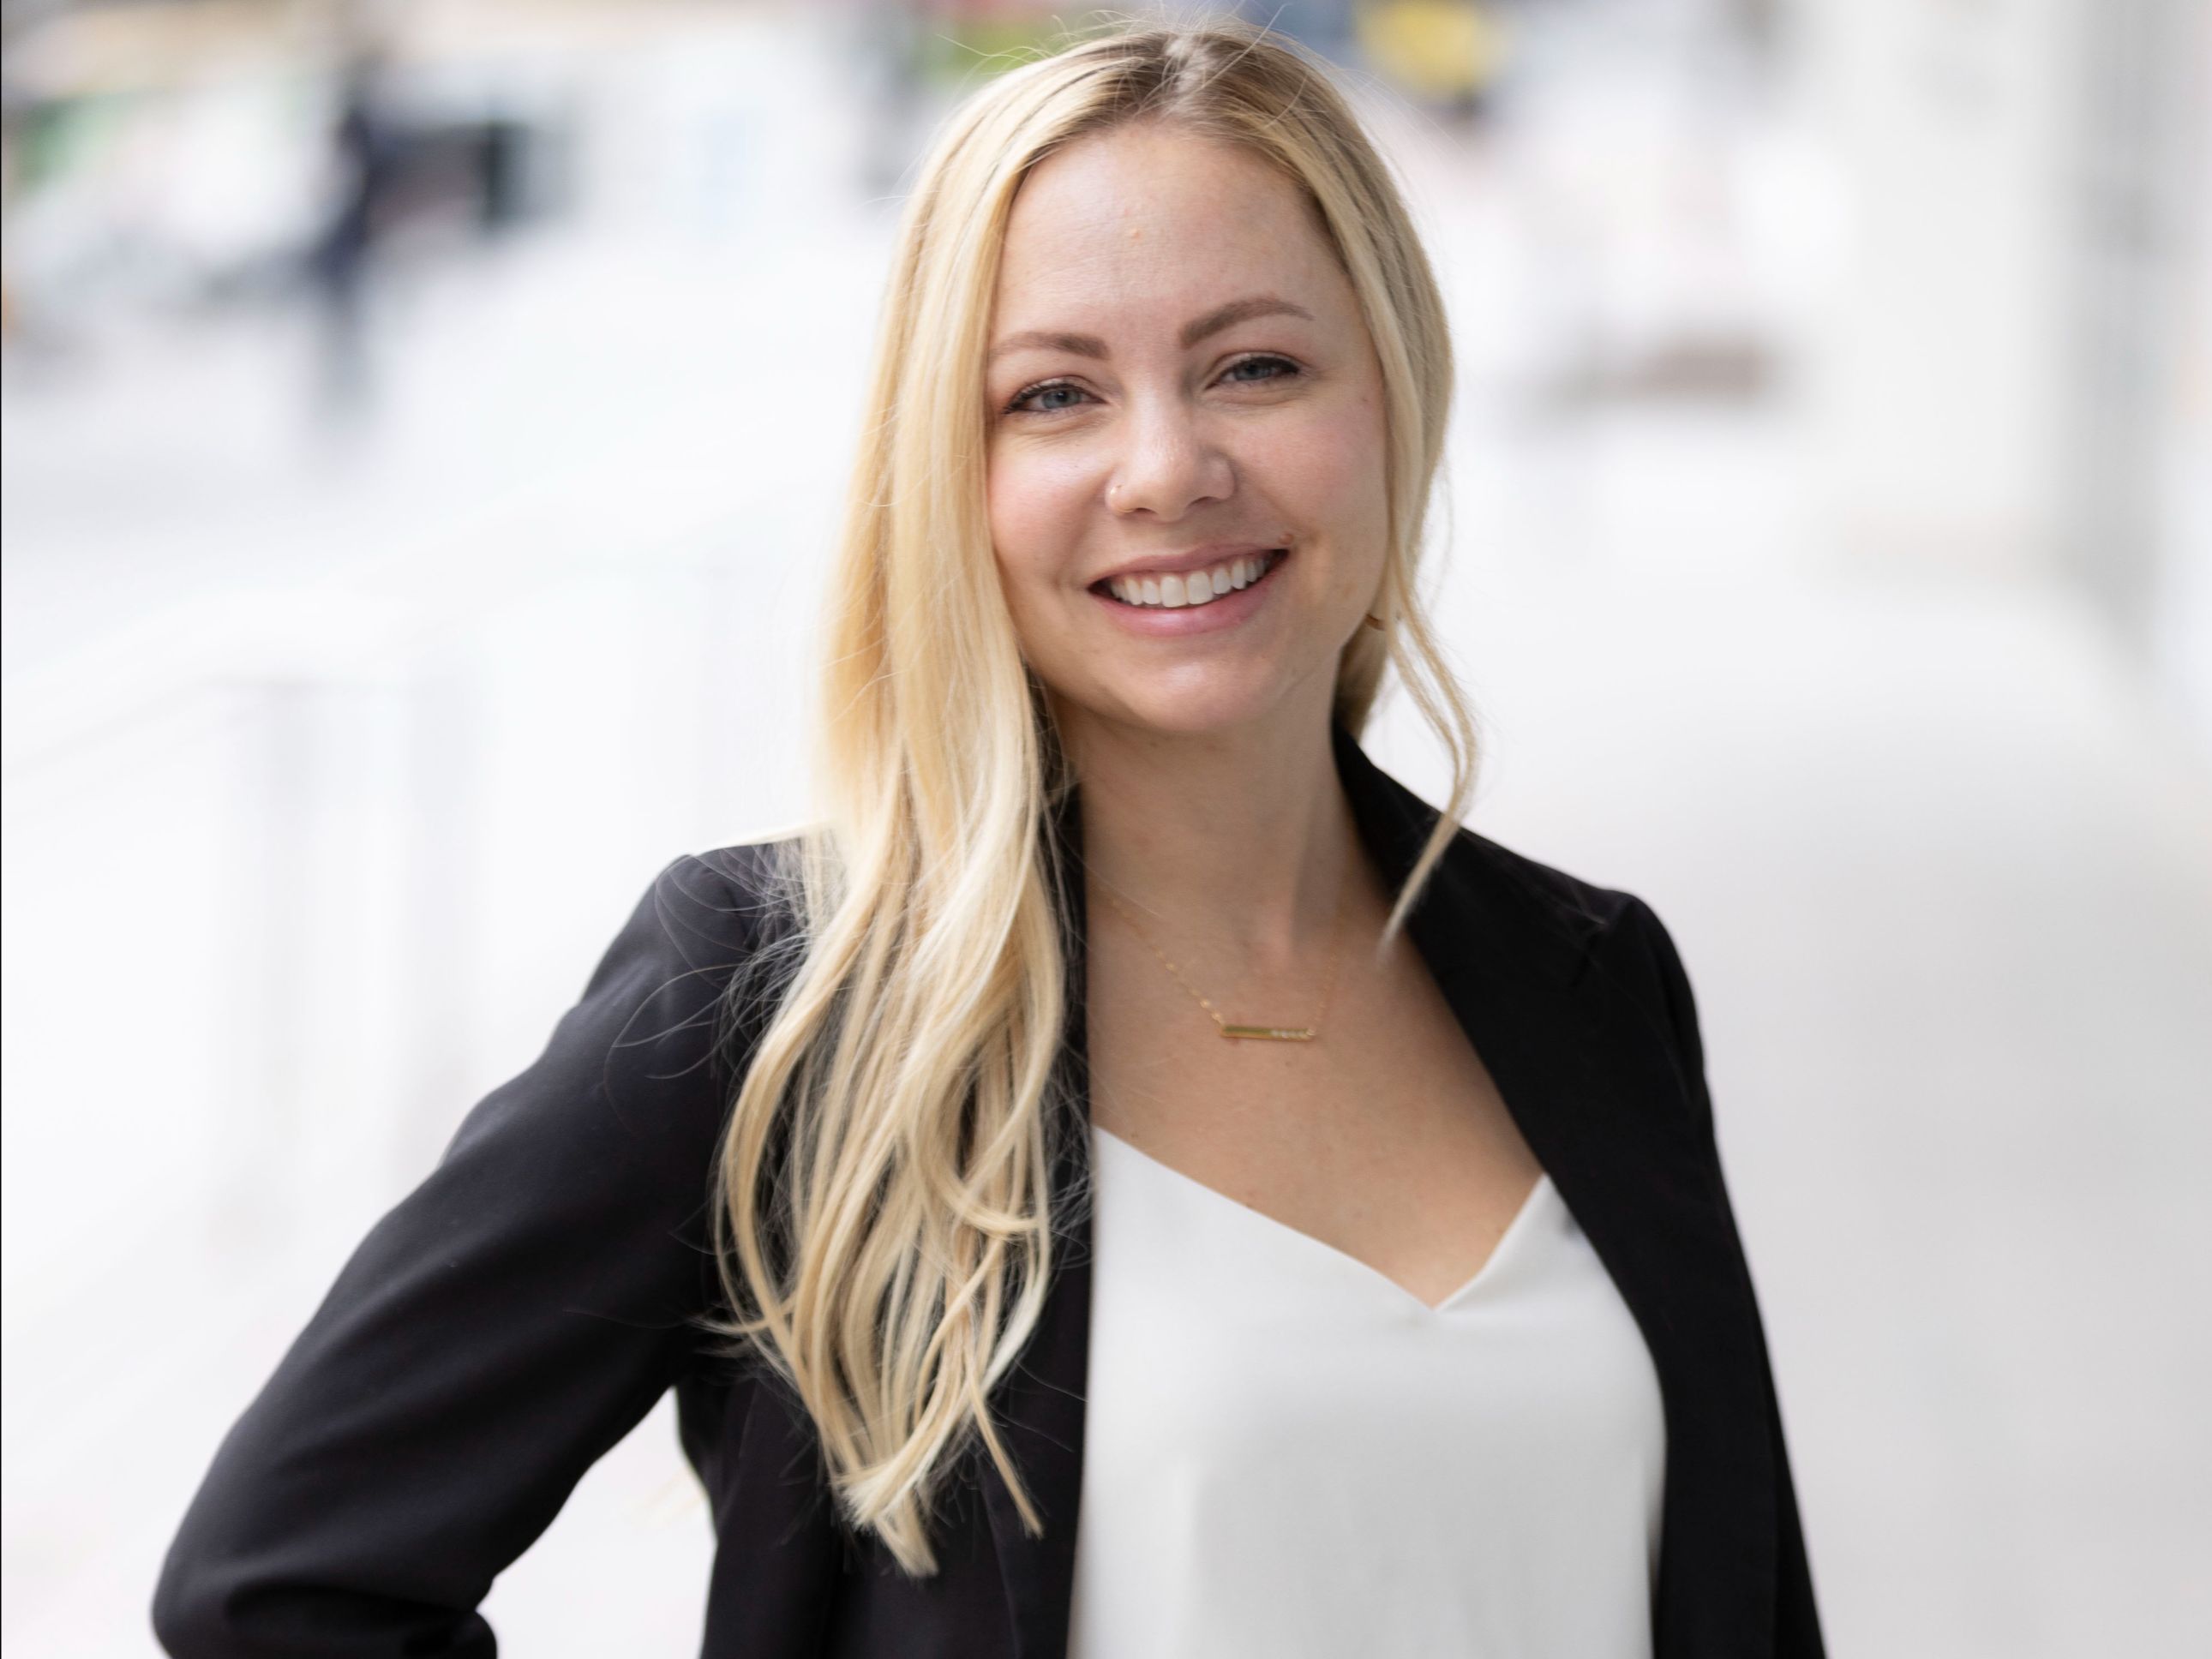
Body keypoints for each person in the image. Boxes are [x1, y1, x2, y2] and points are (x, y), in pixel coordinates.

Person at [152, 20, 1825, 1657]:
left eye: (1255, 364)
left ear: (1391, 393)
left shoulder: (1591, 976)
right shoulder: (777, 1002)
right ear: (949, 471)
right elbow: (281, 1587)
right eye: (1053, 395)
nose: (1167, 467)